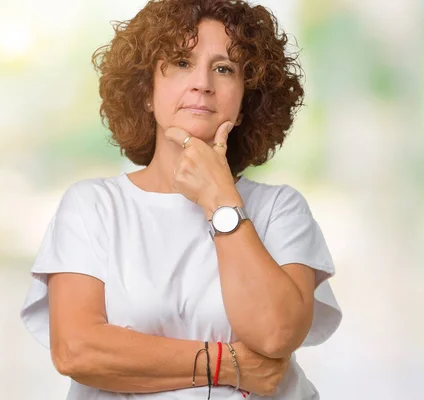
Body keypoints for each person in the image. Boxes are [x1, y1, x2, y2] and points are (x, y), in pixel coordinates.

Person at [19, 0, 342, 399]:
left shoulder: (282, 210)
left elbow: (275, 334)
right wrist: (231, 366)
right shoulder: (92, 207)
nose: (202, 83)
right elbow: (78, 351)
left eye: (224, 68)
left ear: (244, 104)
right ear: (147, 92)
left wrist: (221, 200)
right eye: (181, 62)